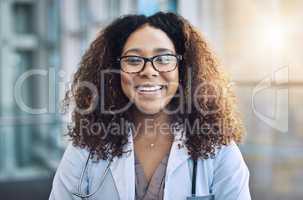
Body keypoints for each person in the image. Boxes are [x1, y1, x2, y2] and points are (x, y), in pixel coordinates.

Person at [49, 12, 251, 200]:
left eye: (163, 58)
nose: (148, 71)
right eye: (134, 60)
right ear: (115, 69)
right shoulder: (86, 148)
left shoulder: (219, 151)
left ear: (182, 69)